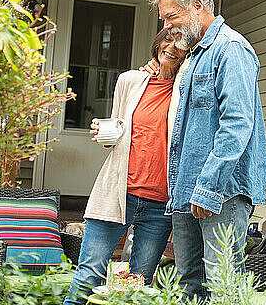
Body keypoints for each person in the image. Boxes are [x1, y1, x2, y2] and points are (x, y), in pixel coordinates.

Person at [145, 0, 266, 299]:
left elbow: (237, 124)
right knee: (189, 284)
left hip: (220, 193)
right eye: (164, 20)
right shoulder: (194, 55)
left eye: (172, 17)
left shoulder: (231, 49)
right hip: (186, 189)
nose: (167, 26)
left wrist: (209, 187)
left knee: (221, 284)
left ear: (198, 6)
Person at [64, 30, 186, 305]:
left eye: (180, 44)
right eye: (167, 39)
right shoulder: (130, 81)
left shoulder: (185, 87)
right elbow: (118, 128)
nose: (172, 47)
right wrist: (103, 133)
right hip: (119, 192)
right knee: (89, 274)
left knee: (139, 285)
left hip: (160, 203)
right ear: (157, 43)